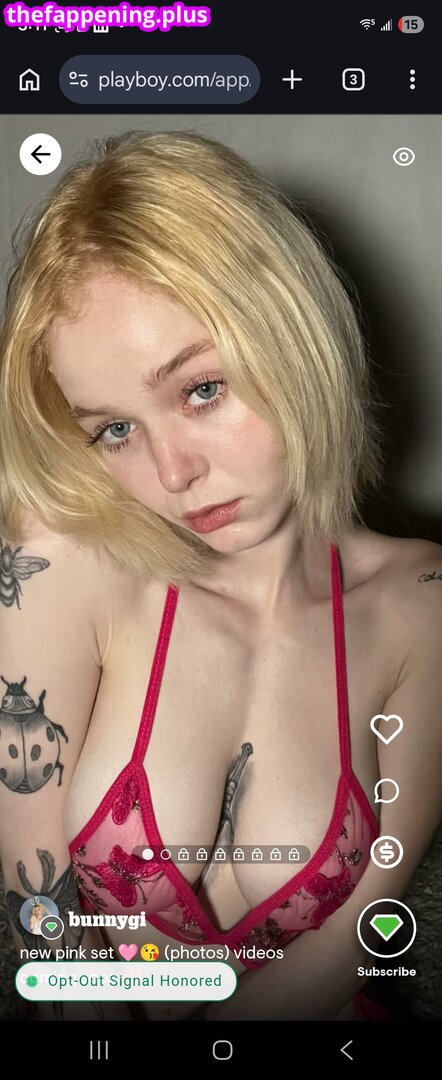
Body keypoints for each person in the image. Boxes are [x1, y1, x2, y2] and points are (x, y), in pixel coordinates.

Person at [0, 131, 441, 1022]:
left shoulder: (421, 603)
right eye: (113, 429)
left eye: (201, 389)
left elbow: (361, 930)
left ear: (292, 333)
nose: (172, 474)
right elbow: (42, 931)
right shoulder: (62, 562)